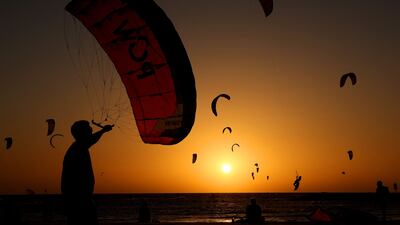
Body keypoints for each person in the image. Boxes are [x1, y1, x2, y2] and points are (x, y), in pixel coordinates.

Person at [61, 120, 113, 225]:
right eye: (88, 128)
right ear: (81, 133)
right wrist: (103, 131)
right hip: (78, 201)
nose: (91, 129)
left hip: (80, 200)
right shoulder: (77, 148)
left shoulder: (78, 147)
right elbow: (90, 140)